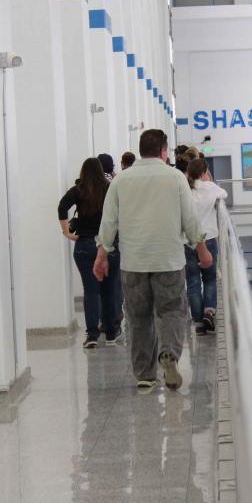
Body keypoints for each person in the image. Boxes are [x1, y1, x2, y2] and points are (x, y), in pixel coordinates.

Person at [94, 129, 212, 391]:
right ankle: (168, 353)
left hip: (134, 262)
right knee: (171, 311)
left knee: (138, 318)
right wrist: (202, 249)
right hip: (168, 259)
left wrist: (102, 255)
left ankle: (145, 375)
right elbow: (190, 219)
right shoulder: (175, 178)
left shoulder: (121, 181)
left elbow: (109, 221)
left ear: (140, 150)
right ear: (163, 150)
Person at [58, 158, 122, 349]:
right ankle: (111, 333)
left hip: (84, 245)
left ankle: (92, 335)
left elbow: (62, 206)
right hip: (107, 244)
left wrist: (66, 232)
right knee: (109, 290)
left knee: (91, 290)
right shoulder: (109, 188)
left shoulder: (79, 190)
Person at [185, 158, 228, 335]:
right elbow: (224, 194)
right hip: (208, 238)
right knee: (209, 279)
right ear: (204, 173)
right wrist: (209, 184)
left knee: (193, 282)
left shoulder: (185, 189)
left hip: (187, 242)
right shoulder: (210, 187)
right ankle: (209, 312)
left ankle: (198, 321)